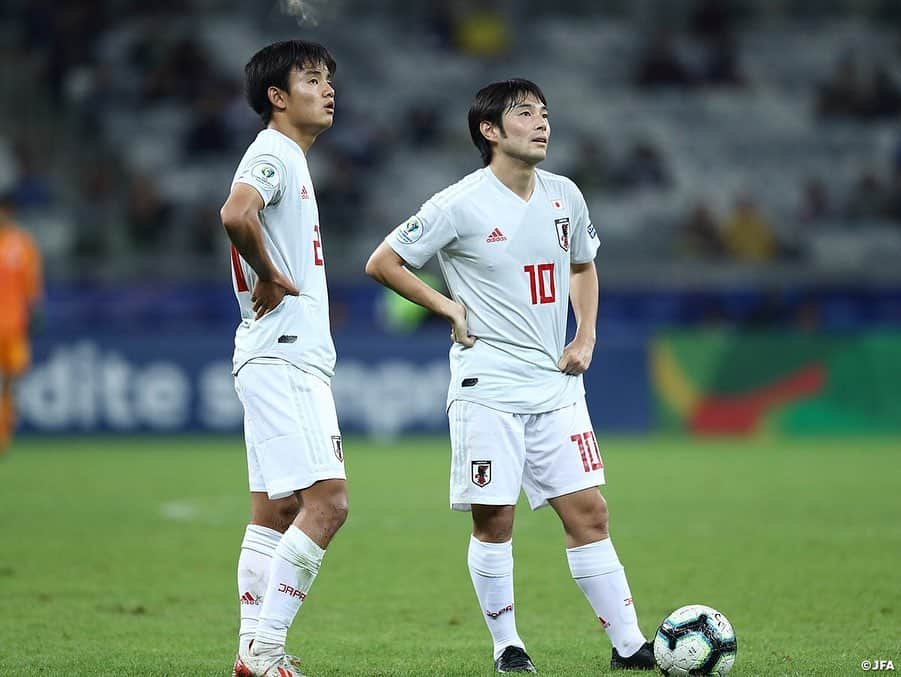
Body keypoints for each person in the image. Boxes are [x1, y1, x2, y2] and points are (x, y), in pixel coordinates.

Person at [366, 79, 655, 673]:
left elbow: (583, 265)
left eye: (545, 113)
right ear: (490, 131)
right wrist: (446, 306)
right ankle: (508, 646)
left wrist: (585, 333)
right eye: (525, 114)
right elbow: (383, 262)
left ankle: (630, 647)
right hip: (488, 386)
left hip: (555, 386)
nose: (542, 123)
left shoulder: (564, 195)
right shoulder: (458, 203)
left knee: (589, 512)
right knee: (494, 518)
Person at [220, 40, 347, 677]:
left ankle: (251, 650)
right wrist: (269, 273)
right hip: (285, 356)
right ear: (278, 96)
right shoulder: (274, 150)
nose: (328, 90)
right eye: (313, 79)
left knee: (275, 510)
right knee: (329, 503)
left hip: (272, 354)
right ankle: (264, 652)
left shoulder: (288, 157)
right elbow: (235, 213)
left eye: (329, 80)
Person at [0, 195, 42, 454]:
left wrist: (35, 309)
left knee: (12, 381)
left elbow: (32, 283)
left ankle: (3, 433)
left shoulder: (23, 244)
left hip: (13, 327)